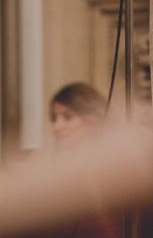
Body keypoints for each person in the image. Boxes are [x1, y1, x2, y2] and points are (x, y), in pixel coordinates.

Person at [47, 82, 124, 238]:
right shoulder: (65, 169)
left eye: (67, 117)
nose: (57, 126)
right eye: (54, 118)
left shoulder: (106, 171)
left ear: (93, 119)